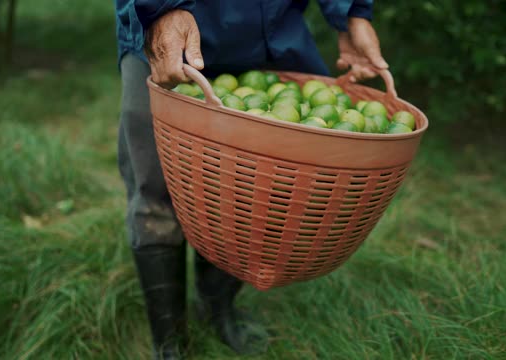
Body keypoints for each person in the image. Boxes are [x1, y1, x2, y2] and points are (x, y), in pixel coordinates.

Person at [113, 1, 388, 358]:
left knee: (245, 199)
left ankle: (217, 310)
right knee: (156, 191)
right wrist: (162, 8)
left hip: (267, 38)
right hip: (171, 28)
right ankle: (169, 343)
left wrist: (351, 12)